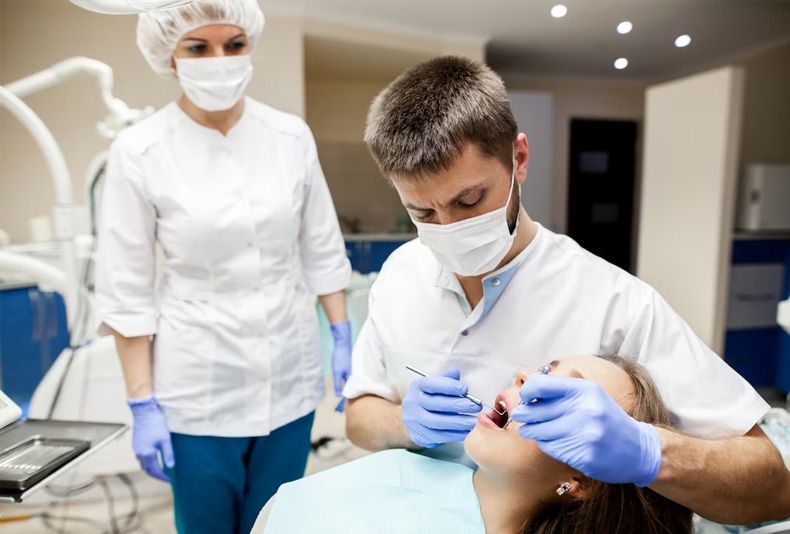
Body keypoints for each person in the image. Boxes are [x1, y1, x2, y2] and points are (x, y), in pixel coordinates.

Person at [343, 55, 790, 523]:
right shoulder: (399, 273)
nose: (450, 228)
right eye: (424, 214)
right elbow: (359, 415)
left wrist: (649, 452)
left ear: (519, 158)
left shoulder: (618, 304)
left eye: (469, 200)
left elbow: (773, 486)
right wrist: (404, 423)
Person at [95, 1, 352, 532]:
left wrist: (343, 335)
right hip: (197, 384)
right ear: (170, 56)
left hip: (290, 368)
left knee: (278, 520)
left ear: (250, 46)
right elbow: (127, 288)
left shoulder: (289, 136)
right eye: (198, 47)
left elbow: (322, 246)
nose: (219, 59)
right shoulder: (140, 150)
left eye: (233, 45)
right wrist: (142, 404)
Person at [252, 355, 693, 533]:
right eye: (544, 367)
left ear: (583, 480)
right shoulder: (396, 471)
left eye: (564, 393)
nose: (525, 377)